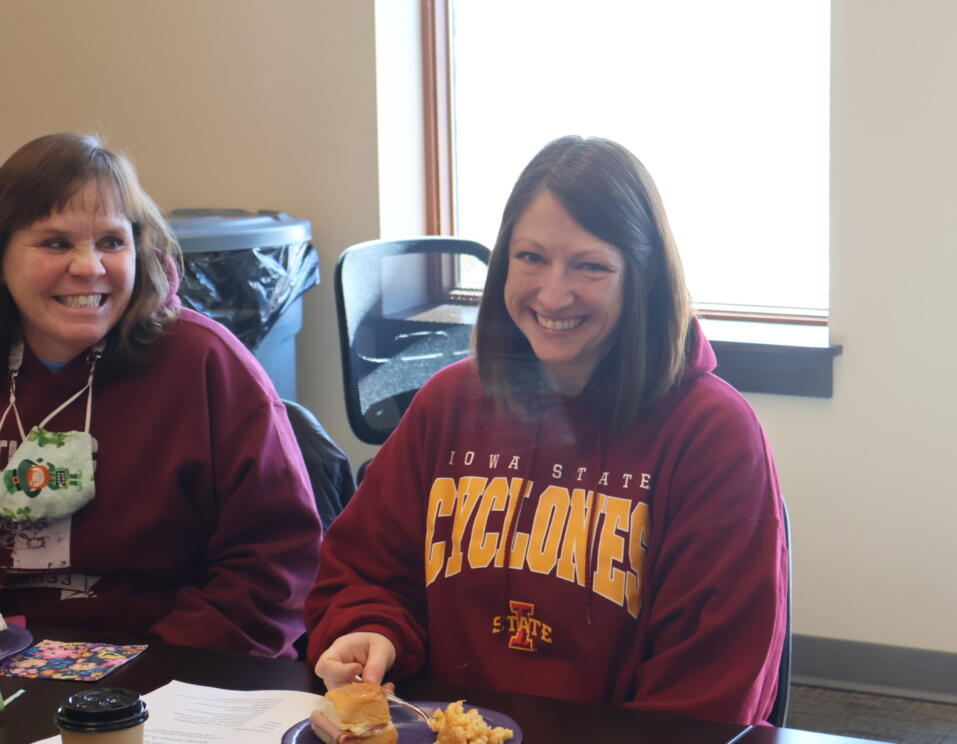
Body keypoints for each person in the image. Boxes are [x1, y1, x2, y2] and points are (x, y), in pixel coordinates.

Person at [304, 135, 787, 725]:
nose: (553, 295)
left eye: (591, 266)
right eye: (531, 258)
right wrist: (369, 629)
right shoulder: (448, 404)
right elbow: (362, 572)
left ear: (643, 279)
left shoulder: (713, 434)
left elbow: (711, 691)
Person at [0, 133, 322, 657]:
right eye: (55, 243)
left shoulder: (205, 361)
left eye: (111, 242)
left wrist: (156, 672)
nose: (89, 267)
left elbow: (275, 564)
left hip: (177, 664)